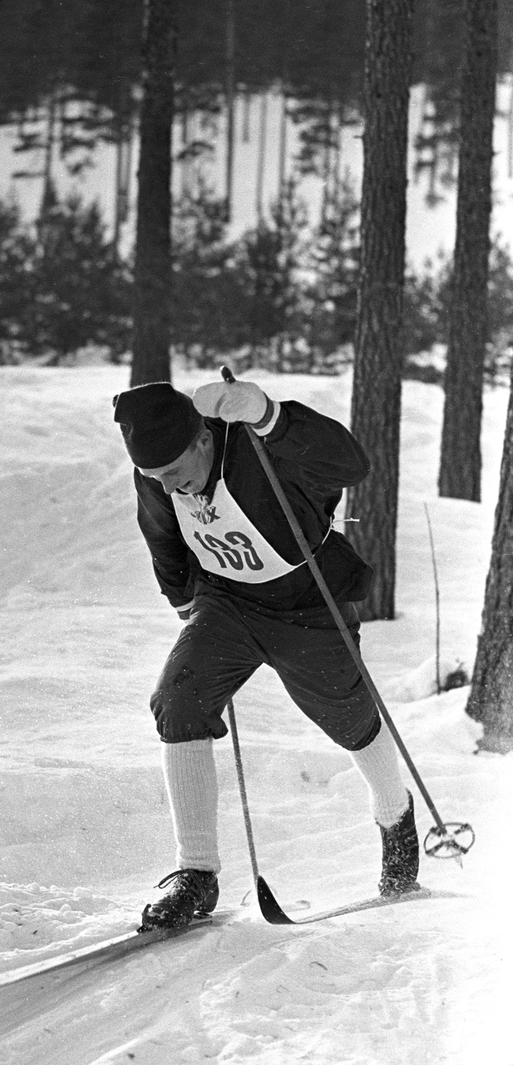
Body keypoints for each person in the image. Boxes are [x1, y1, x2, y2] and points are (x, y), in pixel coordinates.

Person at [112, 377, 419, 929]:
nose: (169, 486)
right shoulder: (158, 479)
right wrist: (186, 606)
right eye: (156, 477)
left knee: (349, 720)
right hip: (227, 603)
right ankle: (196, 873)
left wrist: (273, 416)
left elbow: (351, 466)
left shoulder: (258, 449)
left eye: (174, 471)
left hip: (308, 605)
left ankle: (395, 818)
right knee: (178, 698)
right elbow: (162, 538)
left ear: (203, 439)